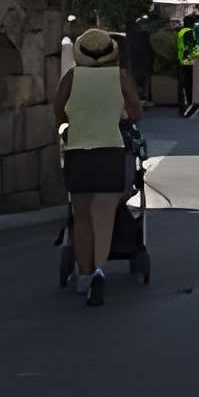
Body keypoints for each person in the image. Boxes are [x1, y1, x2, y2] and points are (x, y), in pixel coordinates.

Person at [59, 25, 140, 306]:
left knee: (81, 216)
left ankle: (84, 274)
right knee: (104, 215)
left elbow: (58, 113)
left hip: (78, 151)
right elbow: (136, 113)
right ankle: (100, 271)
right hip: (110, 151)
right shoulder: (120, 77)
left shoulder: (71, 77)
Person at [175, 8, 199, 116]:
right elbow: (192, 48)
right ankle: (189, 109)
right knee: (190, 86)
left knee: (182, 86)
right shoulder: (189, 32)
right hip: (189, 63)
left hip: (181, 61)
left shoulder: (181, 31)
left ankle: (182, 109)